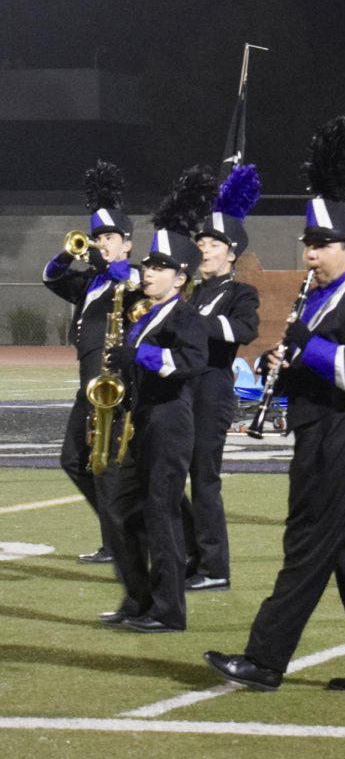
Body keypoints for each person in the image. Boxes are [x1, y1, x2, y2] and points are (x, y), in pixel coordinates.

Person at [205, 116, 345, 691]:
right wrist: (286, 370)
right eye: (309, 244)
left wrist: (311, 350)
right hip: (323, 431)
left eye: (321, 246)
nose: (312, 255)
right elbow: (315, 363)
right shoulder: (318, 297)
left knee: (307, 547)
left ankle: (266, 661)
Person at [100, 168, 212, 632]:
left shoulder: (185, 316)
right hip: (145, 420)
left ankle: (168, 611)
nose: (148, 272)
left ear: (180, 276)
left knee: (161, 514)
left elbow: (190, 362)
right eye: (148, 265)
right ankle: (140, 598)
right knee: (123, 509)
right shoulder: (144, 313)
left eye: (158, 267)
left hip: (171, 421)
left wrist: (138, 354)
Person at [41, 161, 139, 564]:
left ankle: (124, 540)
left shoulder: (133, 275)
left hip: (114, 383)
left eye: (109, 236)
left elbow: (128, 280)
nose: (101, 242)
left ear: (127, 242)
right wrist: (69, 253)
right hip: (90, 385)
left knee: (109, 465)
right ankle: (118, 537)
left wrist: (106, 262)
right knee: (76, 460)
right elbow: (50, 276)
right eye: (96, 237)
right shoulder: (91, 283)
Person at [181, 164, 262, 592]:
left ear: (231, 253)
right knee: (168, 476)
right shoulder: (192, 291)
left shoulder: (239, 293)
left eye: (212, 244)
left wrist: (192, 324)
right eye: (201, 241)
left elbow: (244, 332)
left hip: (211, 393)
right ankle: (191, 555)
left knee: (204, 482)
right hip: (181, 393)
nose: (203, 249)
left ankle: (215, 568)